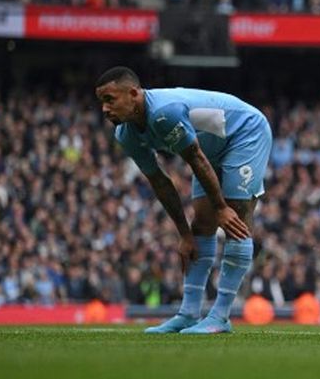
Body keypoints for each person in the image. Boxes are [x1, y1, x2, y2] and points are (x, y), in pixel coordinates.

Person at [95, 66, 272, 334]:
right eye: (101, 102)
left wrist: (221, 208)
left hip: (245, 133)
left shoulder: (164, 113)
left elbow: (195, 159)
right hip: (208, 150)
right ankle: (189, 313)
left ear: (133, 94)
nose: (105, 109)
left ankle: (221, 316)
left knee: (234, 218)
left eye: (110, 100)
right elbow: (160, 181)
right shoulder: (125, 134)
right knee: (200, 226)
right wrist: (184, 234)